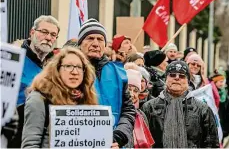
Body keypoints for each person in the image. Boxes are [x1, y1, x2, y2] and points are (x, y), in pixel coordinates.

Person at [21, 47, 97, 148]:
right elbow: (30, 145)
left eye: (79, 67)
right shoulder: (39, 99)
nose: (75, 72)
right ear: (57, 69)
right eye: (68, 66)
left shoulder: (86, 98)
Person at [77, 18, 136, 148]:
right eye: (90, 38)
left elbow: (128, 110)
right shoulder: (70, 70)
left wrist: (119, 135)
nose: (95, 43)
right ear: (80, 43)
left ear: (105, 45)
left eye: (100, 39)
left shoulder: (118, 72)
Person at [142, 61, 219, 148]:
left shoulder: (202, 109)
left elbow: (211, 143)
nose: (177, 78)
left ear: (188, 81)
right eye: (172, 75)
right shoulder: (149, 107)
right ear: (165, 78)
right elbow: (143, 142)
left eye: (182, 76)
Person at [17, 15, 60, 105]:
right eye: (44, 32)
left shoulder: (57, 67)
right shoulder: (14, 59)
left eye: (53, 35)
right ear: (32, 32)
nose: (48, 38)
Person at [124, 66, 154, 148]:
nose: (132, 94)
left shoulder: (141, 115)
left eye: (136, 91)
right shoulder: (114, 114)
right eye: (128, 89)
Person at [210, 70, 229, 141]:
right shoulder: (211, 93)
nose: (222, 84)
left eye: (223, 82)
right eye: (220, 82)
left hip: (223, 125)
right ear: (215, 82)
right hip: (215, 123)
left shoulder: (224, 93)